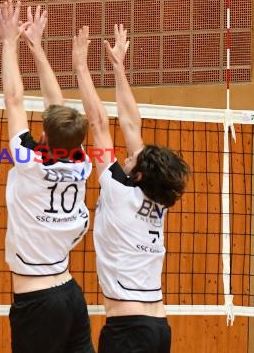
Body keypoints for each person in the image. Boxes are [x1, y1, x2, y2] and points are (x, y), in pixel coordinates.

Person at [72, 24, 190, 353]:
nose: (127, 155)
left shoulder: (116, 189)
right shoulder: (159, 197)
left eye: (132, 159)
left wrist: (80, 65)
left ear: (137, 176)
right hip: (157, 327)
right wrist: (118, 67)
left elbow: (98, 122)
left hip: (128, 330)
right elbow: (130, 123)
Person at [0, 0, 95, 353]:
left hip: (38, 299)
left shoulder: (30, 161)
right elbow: (54, 106)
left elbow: (14, 99)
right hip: (70, 293)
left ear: (42, 137)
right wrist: (35, 46)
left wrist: (9, 42)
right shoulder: (82, 161)